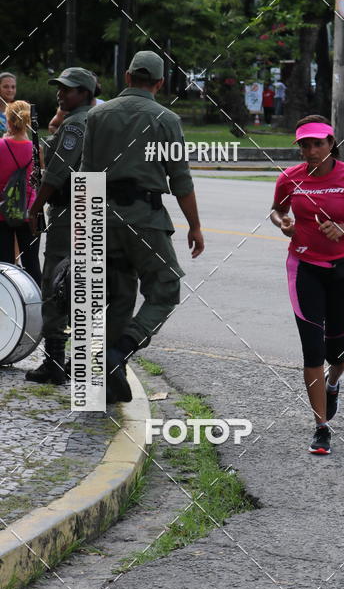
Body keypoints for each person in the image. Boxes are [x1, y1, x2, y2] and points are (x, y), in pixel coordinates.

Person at [80, 50, 205, 404]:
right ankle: (118, 354)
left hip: (101, 216)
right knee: (165, 288)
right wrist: (195, 226)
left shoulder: (97, 115)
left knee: (117, 296)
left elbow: (86, 174)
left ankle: (109, 378)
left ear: (128, 76)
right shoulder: (165, 119)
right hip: (145, 219)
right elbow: (180, 180)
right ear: (160, 83)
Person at [270, 115, 344, 456]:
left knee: (337, 351)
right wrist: (283, 223)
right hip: (304, 267)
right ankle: (322, 427)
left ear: (331, 143)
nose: (311, 150)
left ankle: (333, 383)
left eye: (318, 143)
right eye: (305, 144)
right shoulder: (289, 178)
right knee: (312, 349)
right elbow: (276, 210)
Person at [26, 67, 98, 384]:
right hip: (86, 209)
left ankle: (55, 362)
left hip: (70, 211)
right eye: (60, 88)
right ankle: (74, 359)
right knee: (77, 284)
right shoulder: (90, 120)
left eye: (67, 89)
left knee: (55, 281)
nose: (60, 94)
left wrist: (35, 206)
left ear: (84, 93)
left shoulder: (76, 126)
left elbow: (56, 174)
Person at [0, 100, 41, 284]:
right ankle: (37, 304)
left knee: (4, 265)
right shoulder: (36, 148)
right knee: (32, 264)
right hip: (30, 212)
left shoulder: (0, 146)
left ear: (7, 121)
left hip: (3, 212)